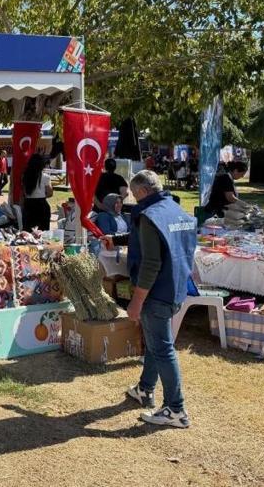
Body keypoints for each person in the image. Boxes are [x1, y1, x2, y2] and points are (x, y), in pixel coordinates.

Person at [100, 170, 196, 428]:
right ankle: (145, 388)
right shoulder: (176, 210)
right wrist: (117, 239)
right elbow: (158, 242)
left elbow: (151, 262)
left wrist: (137, 300)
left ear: (141, 191)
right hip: (176, 287)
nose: (132, 198)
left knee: (163, 348)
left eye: (133, 193)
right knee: (156, 341)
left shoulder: (148, 215)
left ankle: (176, 409)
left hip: (156, 291)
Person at [21, 154, 52, 231]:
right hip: (41, 204)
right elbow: (50, 193)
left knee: (28, 230)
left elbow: (24, 192)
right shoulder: (46, 177)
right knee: (43, 230)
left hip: (28, 204)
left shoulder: (24, 176)